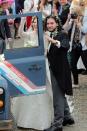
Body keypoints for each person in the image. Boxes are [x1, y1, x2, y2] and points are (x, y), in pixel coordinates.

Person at [11, 16, 54, 130]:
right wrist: (24, 19)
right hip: (30, 66)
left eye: (37, 22)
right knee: (28, 89)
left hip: (41, 64)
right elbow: (20, 32)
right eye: (34, 22)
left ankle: (42, 121)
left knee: (41, 91)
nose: (35, 24)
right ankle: (25, 120)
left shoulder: (46, 35)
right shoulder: (29, 34)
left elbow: (46, 50)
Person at [44, 15, 75, 131]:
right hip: (53, 68)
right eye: (48, 24)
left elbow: (66, 46)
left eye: (52, 23)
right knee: (60, 92)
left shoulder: (62, 34)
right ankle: (67, 116)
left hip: (61, 70)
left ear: (57, 23)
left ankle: (57, 125)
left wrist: (53, 41)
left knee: (57, 96)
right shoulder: (47, 35)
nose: (49, 25)